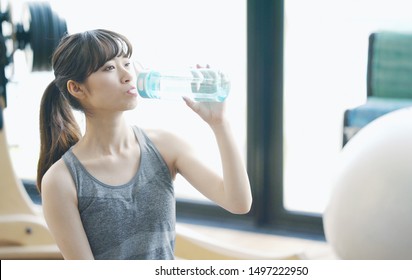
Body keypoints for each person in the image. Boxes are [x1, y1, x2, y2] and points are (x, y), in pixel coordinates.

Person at [36, 29, 252, 260]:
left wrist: (220, 124)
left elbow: (238, 202)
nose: (127, 75)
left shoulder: (165, 146)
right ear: (76, 88)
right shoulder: (61, 180)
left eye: (127, 63)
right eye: (109, 68)